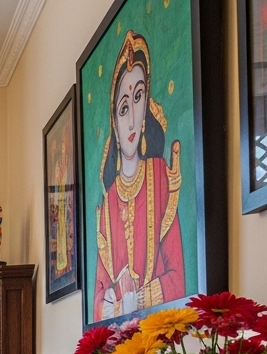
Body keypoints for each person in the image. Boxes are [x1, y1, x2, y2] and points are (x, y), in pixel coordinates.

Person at [93, 30, 185, 322]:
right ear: (114, 122)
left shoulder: (161, 175)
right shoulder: (108, 201)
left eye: (138, 97)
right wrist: (112, 301)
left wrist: (136, 299)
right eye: (123, 108)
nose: (132, 117)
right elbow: (97, 295)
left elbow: (178, 278)